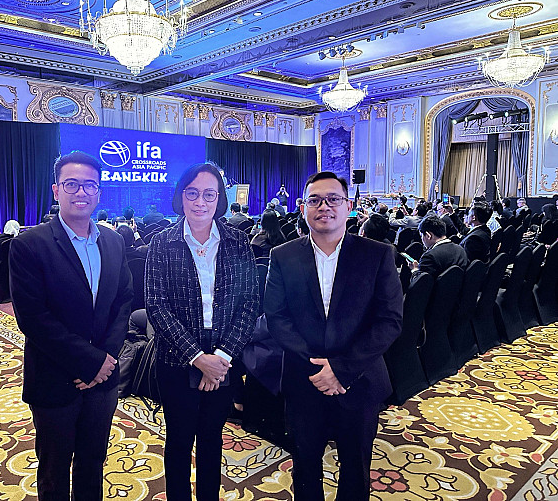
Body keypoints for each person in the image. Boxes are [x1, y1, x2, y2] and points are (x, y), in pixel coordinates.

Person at [264, 171, 403, 500]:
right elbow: (277, 317)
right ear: (303, 208)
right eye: (314, 200)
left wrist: (341, 369)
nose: (323, 207)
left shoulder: (377, 254)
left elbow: (389, 320)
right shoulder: (283, 255)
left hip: (359, 379)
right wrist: (319, 367)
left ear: (348, 206)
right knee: (305, 464)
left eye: (333, 199)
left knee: (355, 467)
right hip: (304, 379)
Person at [9, 151, 133, 500]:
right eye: (72, 184)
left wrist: (104, 360)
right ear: (56, 190)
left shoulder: (113, 241)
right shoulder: (29, 245)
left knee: (93, 461)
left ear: (99, 192)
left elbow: (123, 301)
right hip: (55, 378)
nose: (81, 192)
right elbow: (33, 318)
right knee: (54, 468)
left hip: (103, 380)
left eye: (89, 185)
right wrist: (89, 362)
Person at [145, 162, 259, 501]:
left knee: (212, 438)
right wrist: (197, 358)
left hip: (225, 358)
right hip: (176, 359)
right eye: (192, 193)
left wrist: (220, 359)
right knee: (179, 440)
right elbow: (156, 306)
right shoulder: (162, 243)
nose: (200, 202)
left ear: (220, 198)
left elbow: (250, 303)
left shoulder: (238, 242)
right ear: (181, 196)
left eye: (209, 194)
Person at [410, 215, 468, 279]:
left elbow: (421, 284)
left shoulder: (429, 257)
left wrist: (415, 270)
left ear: (428, 235)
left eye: (421, 236)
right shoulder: (460, 249)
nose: (422, 240)